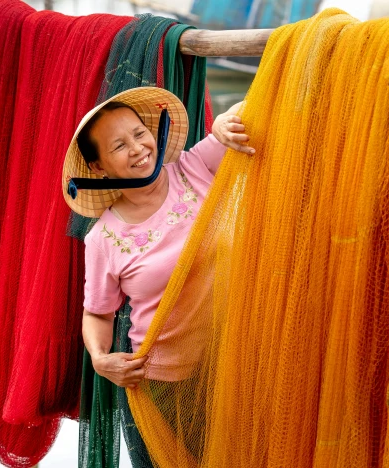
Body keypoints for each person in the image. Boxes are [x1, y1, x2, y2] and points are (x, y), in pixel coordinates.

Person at [61, 87, 253, 389]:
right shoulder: (105, 238)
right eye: (119, 146)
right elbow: (98, 313)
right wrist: (100, 359)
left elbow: (253, 106)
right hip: (168, 381)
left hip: (240, 354)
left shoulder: (195, 167)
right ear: (98, 168)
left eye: (139, 134)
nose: (137, 149)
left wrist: (221, 123)